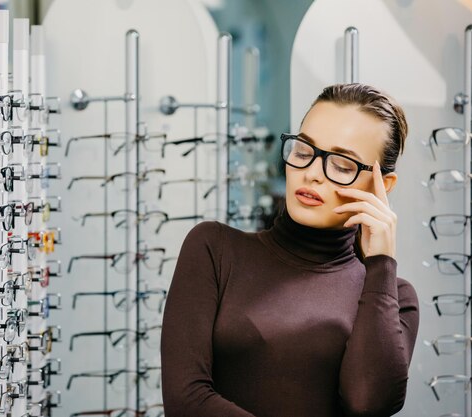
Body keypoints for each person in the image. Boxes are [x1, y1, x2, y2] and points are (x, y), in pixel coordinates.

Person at [160, 83, 420, 417]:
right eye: (303, 151)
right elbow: (185, 401)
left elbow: (368, 403)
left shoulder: (395, 298)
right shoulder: (214, 249)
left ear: (381, 187)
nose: (311, 174)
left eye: (341, 165)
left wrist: (382, 264)